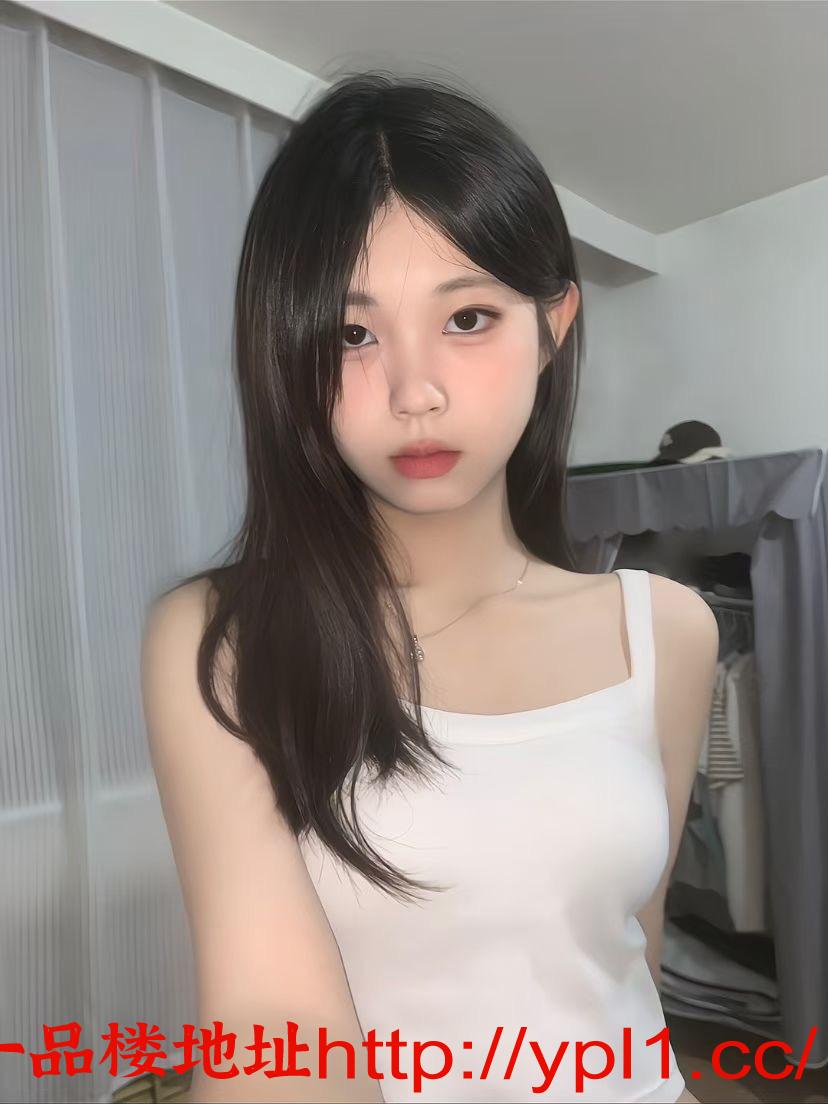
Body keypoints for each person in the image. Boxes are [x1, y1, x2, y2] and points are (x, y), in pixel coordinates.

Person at [140, 71, 717, 1104]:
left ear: (553, 325)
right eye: (352, 335)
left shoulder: (667, 630)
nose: (416, 393)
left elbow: (632, 945)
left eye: (470, 317)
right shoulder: (224, 639)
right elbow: (273, 1030)